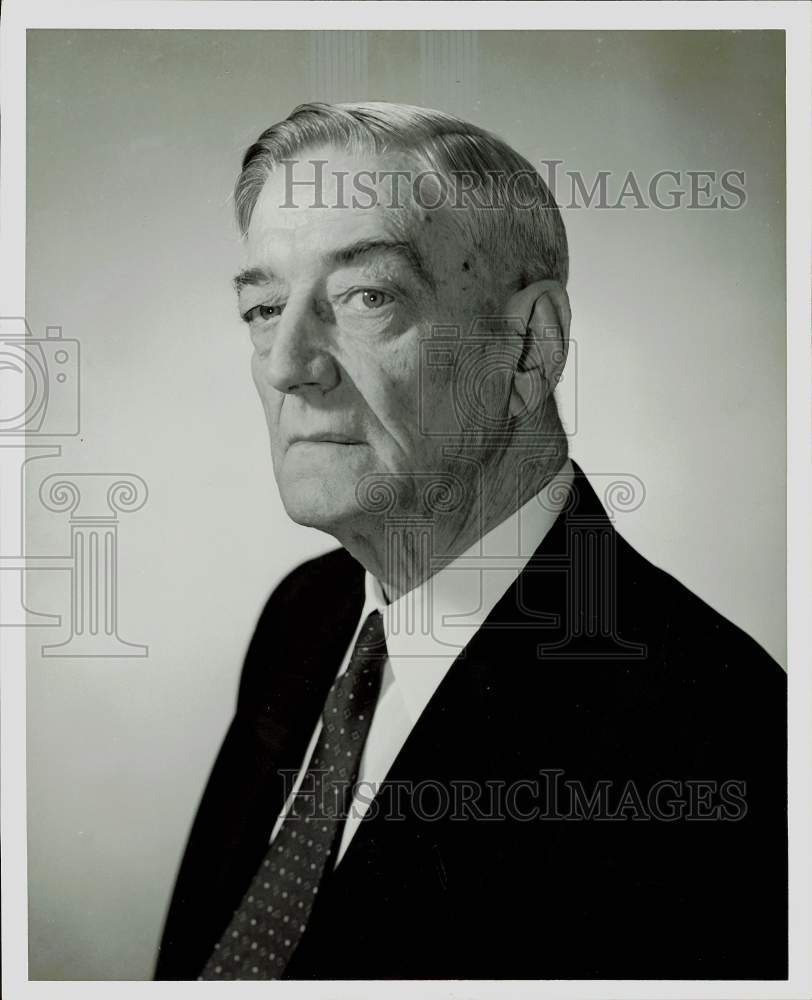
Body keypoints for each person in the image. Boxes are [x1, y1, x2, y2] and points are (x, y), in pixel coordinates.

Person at [154, 103, 786, 981]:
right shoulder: (308, 614)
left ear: (530, 347)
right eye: (264, 306)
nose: (287, 362)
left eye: (367, 296)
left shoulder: (721, 740)